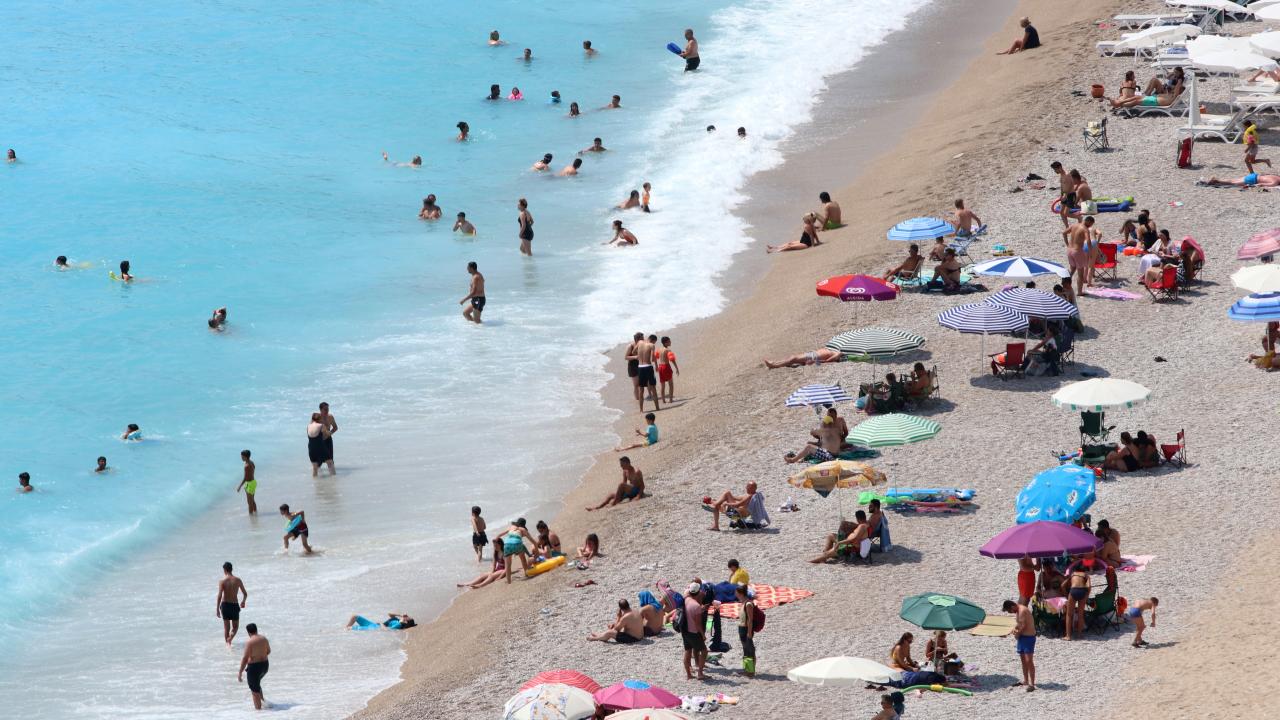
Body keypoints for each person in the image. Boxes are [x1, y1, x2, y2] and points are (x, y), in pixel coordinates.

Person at [1004, 599, 1037, 691]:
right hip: (1022, 638)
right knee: (1023, 660)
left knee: (1029, 660)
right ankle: (1025, 680)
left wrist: (1017, 634)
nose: (1010, 613)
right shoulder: (1018, 610)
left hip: (1028, 638)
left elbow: (1023, 626)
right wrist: (1014, 629)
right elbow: (1019, 624)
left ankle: (1032, 684)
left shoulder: (1022, 611)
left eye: (1009, 611)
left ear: (1012, 607)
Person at [238, 623, 271, 710]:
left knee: (254, 690)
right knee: (257, 684)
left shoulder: (250, 642)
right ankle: (264, 705)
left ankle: (259, 713)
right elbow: (268, 651)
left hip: (254, 668)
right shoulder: (264, 639)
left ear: (248, 632)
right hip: (265, 666)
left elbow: (245, 658)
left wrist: (240, 672)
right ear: (256, 630)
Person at [217, 561, 248, 645]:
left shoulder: (222, 581)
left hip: (225, 605)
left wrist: (217, 609)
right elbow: (245, 594)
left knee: (226, 628)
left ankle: (228, 645)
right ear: (232, 569)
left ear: (224, 570)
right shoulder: (238, 580)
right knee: (235, 627)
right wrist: (243, 601)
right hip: (234, 605)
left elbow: (219, 596)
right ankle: (230, 639)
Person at [681, 583, 708, 679]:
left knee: (687, 651)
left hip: (684, 630)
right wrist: (703, 635)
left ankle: (688, 674)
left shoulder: (685, 600)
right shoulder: (696, 606)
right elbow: (698, 624)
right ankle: (700, 673)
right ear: (698, 592)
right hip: (693, 632)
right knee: (704, 651)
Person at [1064, 217, 1095, 292]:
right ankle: (1079, 292)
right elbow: (1088, 241)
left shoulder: (1074, 225)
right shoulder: (1085, 229)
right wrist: (1091, 252)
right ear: (1088, 221)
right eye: (1091, 224)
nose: (1090, 226)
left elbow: (1064, 233)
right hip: (1077, 251)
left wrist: (1067, 244)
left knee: (1072, 270)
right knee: (1080, 274)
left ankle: (1065, 285)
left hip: (1069, 250)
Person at [499, 519, 535, 583]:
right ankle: (526, 574)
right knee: (523, 559)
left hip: (507, 544)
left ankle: (509, 581)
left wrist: (496, 539)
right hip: (517, 544)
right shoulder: (522, 529)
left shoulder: (511, 527)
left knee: (508, 565)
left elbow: (499, 535)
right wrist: (536, 546)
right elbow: (531, 540)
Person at [1064, 564, 1091, 640]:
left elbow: (1063, 585)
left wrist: (1066, 594)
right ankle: (1079, 635)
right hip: (1082, 591)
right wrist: (1087, 595)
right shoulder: (1086, 575)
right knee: (1080, 615)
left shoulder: (1073, 574)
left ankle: (1068, 636)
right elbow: (1089, 586)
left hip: (1073, 590)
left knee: (1069, 614)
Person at [735, 584, 757, 676]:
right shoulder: (743, 602)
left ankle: (750, 671)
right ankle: (747, 669)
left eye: (736, 592)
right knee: (746, 650)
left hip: (746, 629)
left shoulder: (748, 604)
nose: (735, 594)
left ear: (740, 593)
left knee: (749, 650)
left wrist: (749, 632)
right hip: (742, 628)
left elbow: (750, 620)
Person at [635, 334, 659, 412]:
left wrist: (640, 355)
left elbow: (633, 351)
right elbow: (653, 358)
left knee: (641, 389)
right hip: (648, 366)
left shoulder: (639, 343)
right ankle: (657, 408)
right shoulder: (651, 345)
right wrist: (656, 365)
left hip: (640, 367)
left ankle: (641, 410)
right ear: (653, 340)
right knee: (653, 387)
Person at [764, 346, 844, 369]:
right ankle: (776, 363)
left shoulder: (838, 353)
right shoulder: (833, 350)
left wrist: (816, 361)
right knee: (792, 358)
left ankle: (774, 365)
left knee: (793, 358)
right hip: (812, 354)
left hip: (814, 356)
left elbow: (829, 360)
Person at [1051, 161, 1077, 228]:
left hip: (1070, 195)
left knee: (1066, 213)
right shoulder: (1061, 175)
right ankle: (1067, 227)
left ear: (1060, 167)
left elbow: (1070, 186)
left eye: (1055, 169)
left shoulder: (1067, 175)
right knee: (1061, 212)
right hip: (1065, 195)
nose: (1055, 171)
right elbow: (1062, 186)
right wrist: (1061, 195)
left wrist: (1065, 195)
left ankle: (1079, 217)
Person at [306, 412, 333, 477]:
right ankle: (334, 480)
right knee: (330, 463)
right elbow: (327, 434)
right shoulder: (321, 425)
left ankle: (315, 481)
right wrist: (329, 431)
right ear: (319, 419)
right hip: (320, 448)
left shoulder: (308, 426)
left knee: (315, 468)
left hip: (311, 449)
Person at [656, 336, 679, 403]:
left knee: (662, 385)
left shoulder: (659, 349)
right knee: (671, 384)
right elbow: (672, 360)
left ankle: (663, 401)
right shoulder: (667, 350)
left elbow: (656, 357)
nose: (670, 342)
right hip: (666, 367)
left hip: (660, 367)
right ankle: (671, 400)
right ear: (665, 343)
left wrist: (656, 366)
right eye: (669, 341)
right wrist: (676, 368)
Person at [625, 332, 644, 405]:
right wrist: (635, 357)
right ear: (637, 339)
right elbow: (626, 357)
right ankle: (637, 399)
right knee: (636, 385)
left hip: (641, 364)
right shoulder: (630, 346)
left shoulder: (642, 345)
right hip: (632, 366)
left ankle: (645, 396)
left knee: (643, 382)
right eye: (642, 338)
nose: (643, 339)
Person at [236, 450, 257, 515]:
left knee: (249, 503)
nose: (241, 458)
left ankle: (251, 517)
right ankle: (256, 513)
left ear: (245, 457)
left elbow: (245, 478)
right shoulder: (251, 462)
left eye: (242, 457)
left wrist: (239, 486)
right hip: (253, 482)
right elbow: (253, 469)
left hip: (250, 484)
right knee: (252, 501)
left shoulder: (246, 466)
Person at [1199, 173, 1280, 188]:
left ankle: (1217, 180)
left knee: (1232, 180)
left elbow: (1265, 174)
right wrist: (1253, 186)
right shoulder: (1275, 182)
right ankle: (1216, 181)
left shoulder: (1276, 176)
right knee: (1232, 183)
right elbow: (1261, 184)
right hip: (1253, 180)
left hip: (1254, 175)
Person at [346, 613, 416, 630]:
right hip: (373, 624)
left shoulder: (399, 624)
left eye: (408, 618)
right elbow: (389, 614)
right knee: (355, 616)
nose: (407, 616)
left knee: (350, 629)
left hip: (375, 628)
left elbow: (387, 630)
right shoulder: (397, 619)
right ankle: (344, 630)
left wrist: (381, 624)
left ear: (406, 622)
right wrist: (400, 615)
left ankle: (343, 632)